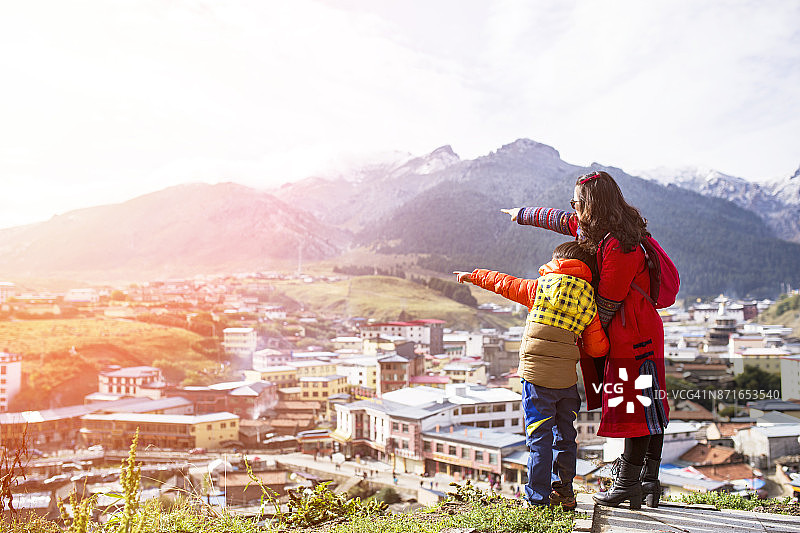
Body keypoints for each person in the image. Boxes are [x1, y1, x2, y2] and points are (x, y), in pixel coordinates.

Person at [502, 170, 670, 510]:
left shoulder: (620, 247)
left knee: (636, 406)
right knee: (647, 404)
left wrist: (578, 327)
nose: (573, 210)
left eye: (577, 204)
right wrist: (520, 214)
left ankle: (628, 485)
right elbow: (559, 220)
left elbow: (607, 301)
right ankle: (647, 481)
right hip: (638, 329)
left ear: (591, 206)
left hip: (632, 334)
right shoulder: (609, 230)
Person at [455, 241, 609, 510]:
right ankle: (564, 492)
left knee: (539, 439)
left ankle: (537, 499)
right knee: (565, 437)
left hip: (536, 381)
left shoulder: (540, 287)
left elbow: (505, 283)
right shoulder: (589, 301)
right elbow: (598, 347)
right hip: (566, 383)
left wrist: (474, 276)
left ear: (557, 262)